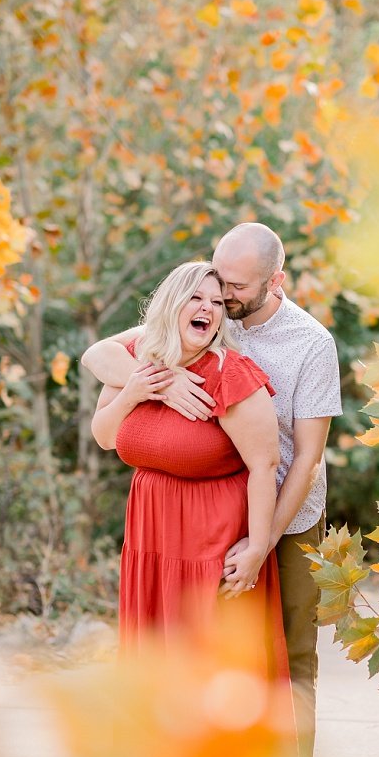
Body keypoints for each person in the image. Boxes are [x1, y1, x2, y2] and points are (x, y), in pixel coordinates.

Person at [83, 223, 343, 757]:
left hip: (287, 517)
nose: (221, 296)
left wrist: (262, 542)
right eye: (213, 282)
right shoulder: (193, 335)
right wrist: (165, 381)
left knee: (283, 667)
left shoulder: (308, 344)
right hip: (175, 530)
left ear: (273, 281)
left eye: (233, 287)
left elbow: (300, 461)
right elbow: (99, 356)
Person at [90, 261, 287, 682]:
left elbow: (264, 465)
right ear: (171, 304)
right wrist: (137, 391)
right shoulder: (139, 361)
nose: (208, 309)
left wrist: (257, 547)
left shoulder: (228, 373)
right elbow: (105, 437)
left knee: (209, 668)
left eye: (217, 302)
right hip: (151, 533)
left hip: (210, 539)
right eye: (196, 298)